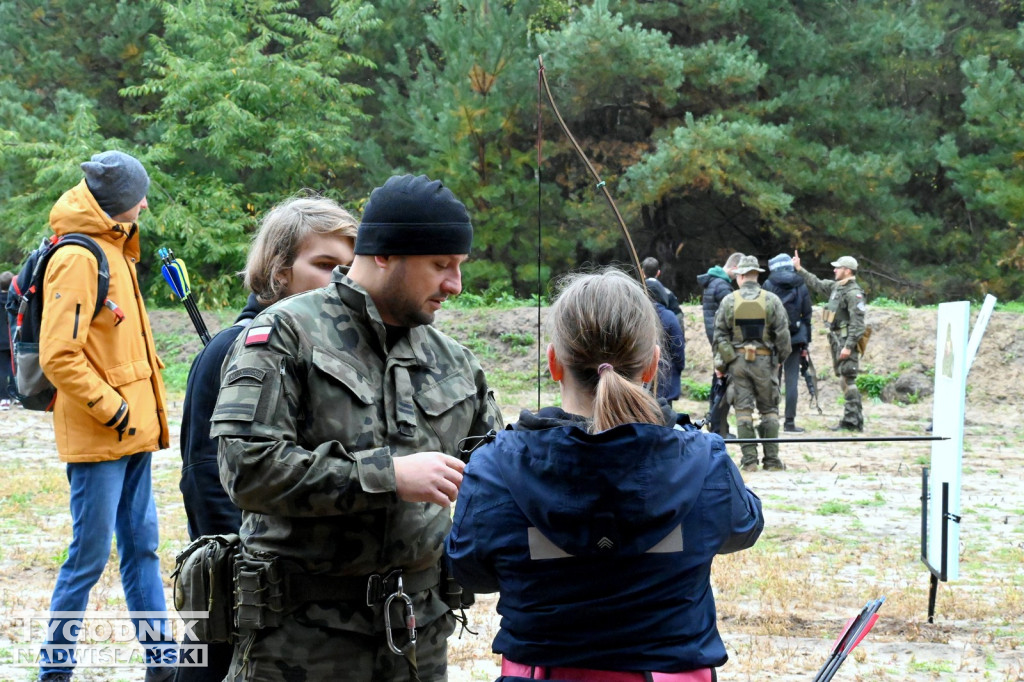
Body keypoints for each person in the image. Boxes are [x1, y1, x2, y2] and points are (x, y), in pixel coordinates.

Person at [210, 174, 504, 682]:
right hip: (300, 642)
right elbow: (246, 469)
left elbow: (498, 472)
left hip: (418, 637)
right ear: (383, 254)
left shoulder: (454, 362)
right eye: (441, 265)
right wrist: (387, 475)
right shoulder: (283, 335)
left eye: (458, 267)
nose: (454, 285)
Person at [446, 268, 764, 681]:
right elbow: (743, 527)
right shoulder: (703, 460)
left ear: (554, 363)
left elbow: (470, 570)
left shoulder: (494, 466)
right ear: (651, 365)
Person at [176, 195, 357, 682]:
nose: (341, 278)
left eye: (350, 266)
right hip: (248, 602)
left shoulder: (328, 352)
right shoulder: (231, 350)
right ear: (279, 270)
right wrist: (244, 586)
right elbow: (207, 482)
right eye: (324, 264)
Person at [37, 151, 174, 682]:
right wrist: (114, 410)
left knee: (142, 548)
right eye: (137, 195)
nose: (144, 202)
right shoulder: (79, 256)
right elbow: (59, 354)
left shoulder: (118, 247)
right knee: (87, 560)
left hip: (132, 433)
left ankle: (163, 667)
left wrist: (133, 417)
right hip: (102, 436)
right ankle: (55, 671)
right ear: (117, 202)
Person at [712, 255, 791, 471]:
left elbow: (719, 335)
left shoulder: (729, 301)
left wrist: (722, 363)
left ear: (741, 276)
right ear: (756, 275)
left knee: (743, 411)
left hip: (737, 363)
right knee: (769, 410)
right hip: (765, 362)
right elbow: (783, 335)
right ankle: (772, 460)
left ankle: (749, 461)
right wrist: (779, 360)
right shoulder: (772, 300)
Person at [793, 250, 867, 431]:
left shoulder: (853, 293)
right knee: (844, 378)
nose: (834, 271)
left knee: (848, 378)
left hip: (845, 339)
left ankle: (852, 421)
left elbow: (858, 325)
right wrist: (799, 269)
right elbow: (817, 283)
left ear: (847, 271)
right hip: (837, 338)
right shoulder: (837, 288)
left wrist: (849, 346)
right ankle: (854, 419)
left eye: (838, 268)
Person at [762, 253, 813, 432]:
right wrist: (806, 343)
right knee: (792, 382)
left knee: (773, 380)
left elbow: (763, 314)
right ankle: (789, 423)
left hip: (774, 340)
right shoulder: (800, 284)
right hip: (796, 339)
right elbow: (807, 315)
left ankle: (771, 420)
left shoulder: (768, 284)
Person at [697, 252, 744, 437]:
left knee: (718, 382)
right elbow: (730, 320)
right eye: (740, 271)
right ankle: (719, 429)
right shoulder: (723, 287)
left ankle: (716, 426)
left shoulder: (712, 282)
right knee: (722, 385)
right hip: (722, 344)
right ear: (734, 267)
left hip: (716, 341)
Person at [642, 258, 686, 402]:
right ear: (659, 272)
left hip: (641, 374)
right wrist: (678, 367)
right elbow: (677, 342)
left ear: (642, 272)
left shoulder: (635, 307)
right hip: (665, 372)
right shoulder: (668, 297)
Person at [0, 270, 13, 409]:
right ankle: (18, 397)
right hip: (13, 338)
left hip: (0, 340)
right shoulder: (15, 299)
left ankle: (4, 399)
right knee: (15, 369)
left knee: (2, 369)